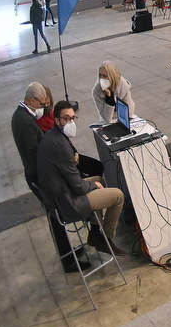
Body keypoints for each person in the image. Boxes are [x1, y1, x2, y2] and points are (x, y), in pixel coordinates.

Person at [11, 83, 90, 273]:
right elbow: (36, 154)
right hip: (41, 179)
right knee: (56, 217)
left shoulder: (21, 115)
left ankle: (68, 252)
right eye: (42, 104)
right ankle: (68, 260)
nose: (44, 108)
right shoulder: (26, 122)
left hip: (39, 176)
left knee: (55, 217)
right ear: (32, 101)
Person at [37, 100, 127, 256]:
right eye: (66, 118)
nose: (71, 122)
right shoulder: (60, 145)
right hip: (68, 201)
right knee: (118, 196)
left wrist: (94, 183)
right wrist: (93, 185)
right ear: (57, 120)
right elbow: (78, 187)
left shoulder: (52, 136)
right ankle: (106, 238)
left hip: (61, 193)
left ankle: (95, 232)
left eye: (73, 118)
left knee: (98, 178)